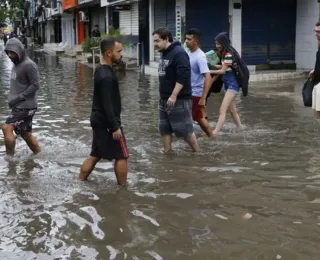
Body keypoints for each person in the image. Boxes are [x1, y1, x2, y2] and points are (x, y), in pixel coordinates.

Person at [79, 38, 129, 186]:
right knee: (122, 155)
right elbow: (107, 103)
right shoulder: (106, 75)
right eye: (118, 51)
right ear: (109, 53)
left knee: (95, 154)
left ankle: (80, 181)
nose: (121, 54)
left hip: (99, 119)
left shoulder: (101, 70)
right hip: (107, 123)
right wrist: (115, 126)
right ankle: (123, 190)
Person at [152, 27, 200, 153]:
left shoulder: (179, 53)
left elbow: (183, 76)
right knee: (164, 129)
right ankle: (167, 152)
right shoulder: (164, 52)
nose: (155, 45)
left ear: (166, 39)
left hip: (179, 99)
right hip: (164, 99)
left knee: (185, 130)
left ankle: (198, 153)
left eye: (157, 41)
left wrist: (173, 95)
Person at [3, 38, 41, 158]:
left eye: (12, 52)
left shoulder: (28, 65)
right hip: (20, 106)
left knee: (6, 127)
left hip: (25, 106)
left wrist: (19, 97)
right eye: (8, 52)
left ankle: (9, 159)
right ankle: (40, 155)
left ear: (19, 50)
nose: (9, 55)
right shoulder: (16, 64)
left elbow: (36, 84)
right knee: (25, 134)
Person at [210, 32, 243, 136]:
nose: (217, 46)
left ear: (224, 43)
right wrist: (213, 66)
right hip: (228, 84)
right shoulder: (226, 54)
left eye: (219, 44)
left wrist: (208, 71)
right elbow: (225, 67)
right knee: (232, 110)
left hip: (233, 84)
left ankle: (215, 132)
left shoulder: (228, 54)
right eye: (216, 44)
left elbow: (222, 71)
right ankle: (241, 128)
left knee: (222, 109)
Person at [185, 28, 213, 137]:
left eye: (189, 39)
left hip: (195, 93)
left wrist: (203, 98)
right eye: (186, 39)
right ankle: (212, 137)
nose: (186, 41)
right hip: (188, 91)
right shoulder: (188, 53)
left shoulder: (200, 56)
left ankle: (192, 143)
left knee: (191, 119)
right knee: (199, 118)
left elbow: (208, 77)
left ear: (196, 41)